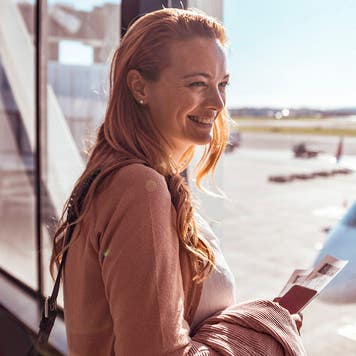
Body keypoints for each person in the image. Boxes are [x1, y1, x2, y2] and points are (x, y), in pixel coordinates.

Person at [50, 8, 306, 355]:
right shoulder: (141, 189)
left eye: (222, 84)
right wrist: (264, 330)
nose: (218, 103)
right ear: (140, 87)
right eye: (197, 83)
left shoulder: (112, 175)